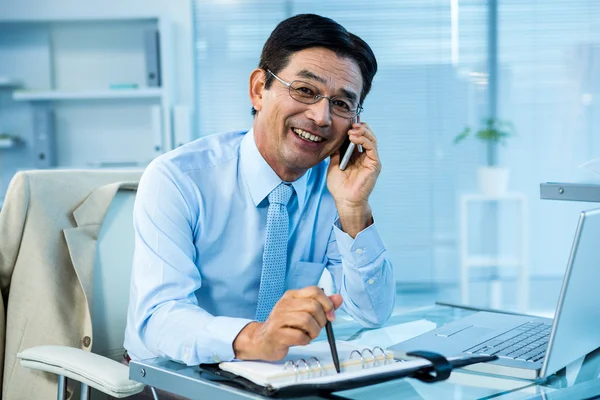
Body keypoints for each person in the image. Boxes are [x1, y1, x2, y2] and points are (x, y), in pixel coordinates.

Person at [124, 13, 395, 369]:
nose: (321, 117)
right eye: (304, 90)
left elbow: (371, 314)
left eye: (341, 104)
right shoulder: (178, 179)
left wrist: (354, 208)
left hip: (277, 377)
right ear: (258, 90)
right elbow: (158, 318)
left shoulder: (333, 188)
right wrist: (256, 338)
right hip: (178, 375)